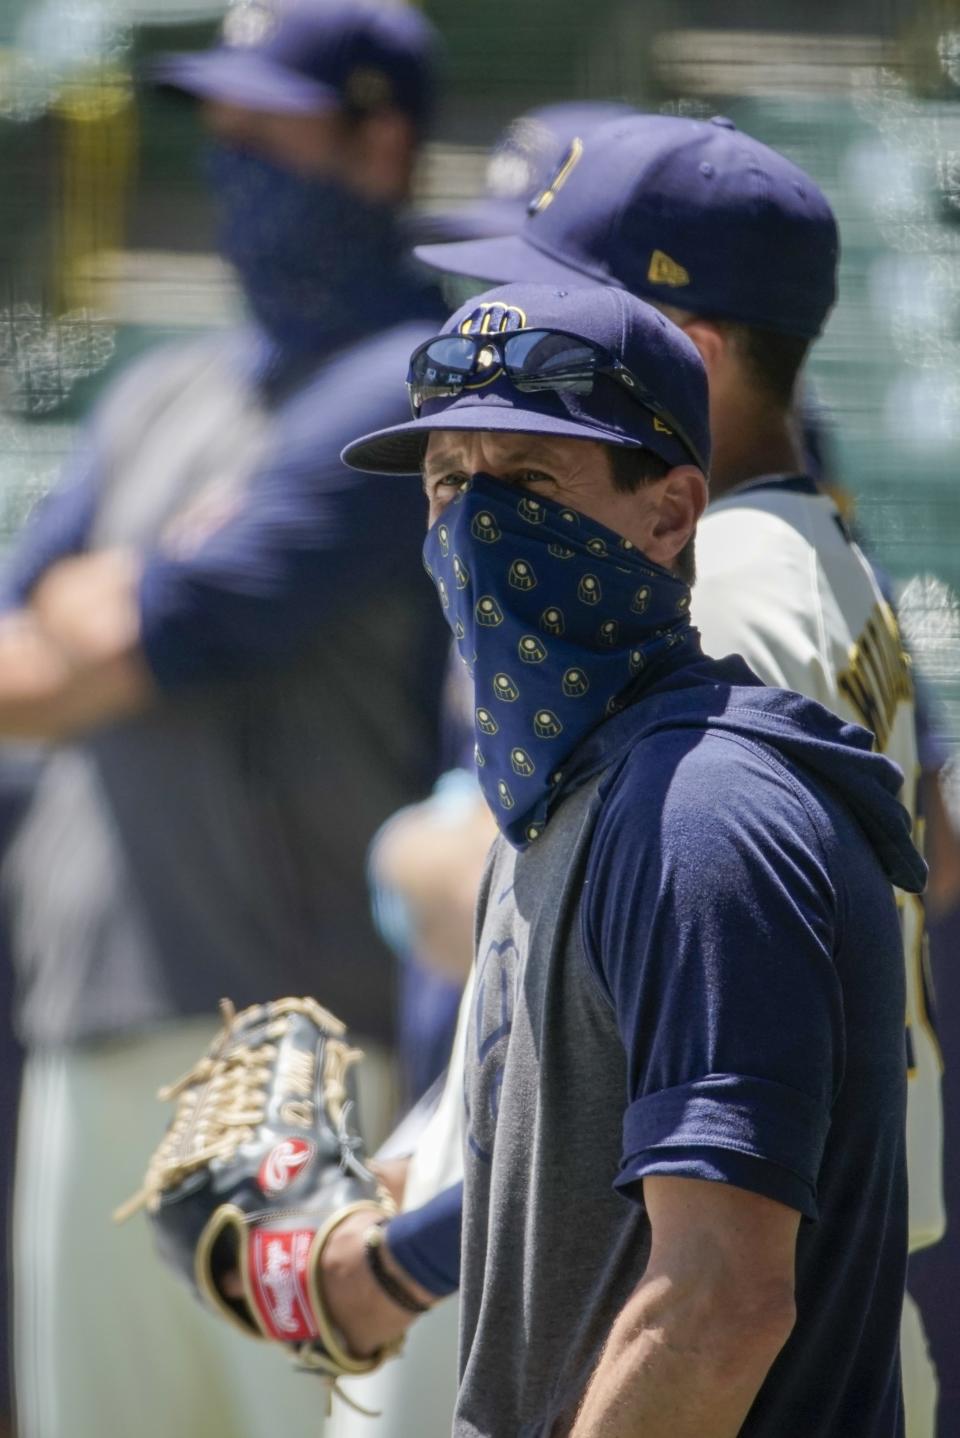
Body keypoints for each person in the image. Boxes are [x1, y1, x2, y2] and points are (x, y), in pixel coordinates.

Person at [409, 112, 945, 1437]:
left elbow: (713, 1288)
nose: (479, 522)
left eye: (526, 470)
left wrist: (386, 1257)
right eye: (447, 475)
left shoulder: (732, 640)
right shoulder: (815, 554)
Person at [0, 5, 448, 1437]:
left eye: (276, 130)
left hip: (298, 1051)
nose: (236, 160)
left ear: (380, 143)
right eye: (225, 131)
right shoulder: (158, 391)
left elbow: (164, 632)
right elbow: (25, 668)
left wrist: (108, 608)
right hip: (87, 1016)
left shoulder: (421, 382)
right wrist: (107, 610)